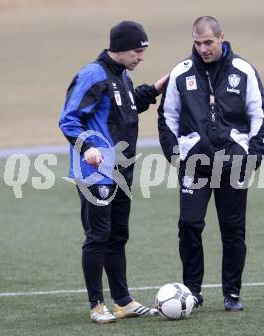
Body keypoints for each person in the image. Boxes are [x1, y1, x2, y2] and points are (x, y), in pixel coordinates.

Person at [158, 16, 264, 311]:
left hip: (234, 163)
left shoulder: (243, 71)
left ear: (222, 37)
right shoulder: (181, 73)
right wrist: (173, 151)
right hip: (194, 163)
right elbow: (166, 117)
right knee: (189, 225)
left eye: (208, 42)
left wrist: (254, 156)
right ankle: (192, 293)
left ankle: (232, 293)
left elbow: (261, 115)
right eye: (198, 43)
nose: (203, 48)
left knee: (233, 230)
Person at [59, 20, 168, 324]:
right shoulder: (93, 75)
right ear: (119, 49)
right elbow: (69, 120)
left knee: (118, 235)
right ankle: (97, 305)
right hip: (95, 172)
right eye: (137, 50)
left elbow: (128, 107)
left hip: (121, 171)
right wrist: (88, 147)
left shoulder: (122, 76)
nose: (141, 56)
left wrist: (157, 87)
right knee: (98, 237)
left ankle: (123, 301)